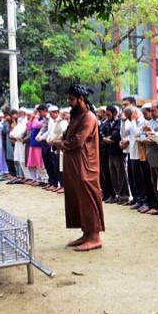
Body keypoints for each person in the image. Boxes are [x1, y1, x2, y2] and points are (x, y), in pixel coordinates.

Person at [52, 84, 104, 252]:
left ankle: (95, 237)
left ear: (81, 99)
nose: (69, 101)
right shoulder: (75, 116)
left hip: (85, 165)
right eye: (68, 98)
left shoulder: (89, 117)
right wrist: (60, 140)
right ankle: (86, 233)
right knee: (77, 198)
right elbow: (68, 135)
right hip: (74, 163)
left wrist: (61, 143)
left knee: (87, 198)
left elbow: (78, 141)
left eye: (72, 99)